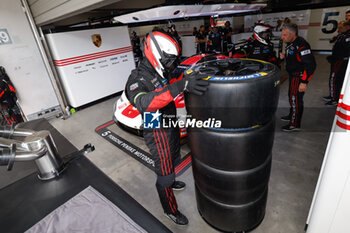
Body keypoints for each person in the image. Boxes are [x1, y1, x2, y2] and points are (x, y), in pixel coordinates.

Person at [125, 29, 209, 225]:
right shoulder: (137, 78)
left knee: (173, 157)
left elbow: (168, 84)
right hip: (156, 130)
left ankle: (171, 181)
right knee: (164, 173)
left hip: (169, 124)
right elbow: (144, 102)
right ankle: (169, 210)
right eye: (168, 59)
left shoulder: (158, 71)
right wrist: (179, 86)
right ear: (156, 53)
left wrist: (185, 79)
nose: (171, 63)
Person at [280, 23, 316, 131]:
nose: (282, 37)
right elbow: (296, 57)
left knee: (296, 99)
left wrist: (304, 82)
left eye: (285, 35)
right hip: (293, 75)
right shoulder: (292, 43)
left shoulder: (301, 45)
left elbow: (311, 65)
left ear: (293, 34)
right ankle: (292, 115)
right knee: (292, 97)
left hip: (299, 76)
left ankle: (294, 124)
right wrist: (285, 56)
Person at [324, 20, 350, 105]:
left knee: (334, 78)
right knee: (337, 79)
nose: (338, 29)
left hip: (340, 61)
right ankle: (333, 95)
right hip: (337, 60)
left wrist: (334, 57)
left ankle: (334, 98)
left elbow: (344, 50)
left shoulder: (347, 37)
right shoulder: (341, 35)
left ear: (347, 27)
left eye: (340, 28)